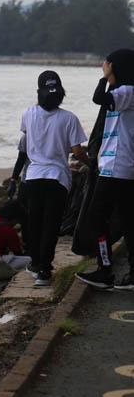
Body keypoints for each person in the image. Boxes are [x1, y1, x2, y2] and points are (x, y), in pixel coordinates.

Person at [21, 71, 89, 287]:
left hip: (33, 177)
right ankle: (44, 270)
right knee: (51, 224)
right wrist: (92, 164)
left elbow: (28, 137)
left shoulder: (28, 113)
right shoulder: (69, 118)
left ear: (39, 92)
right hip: (57, 178)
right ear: (61, 93)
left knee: (34, 222)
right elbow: (77, 152)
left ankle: (34, 262)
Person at [77, 50, 134, 290]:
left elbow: (98, 98)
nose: (104, 66)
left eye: (107, 63)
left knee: (96, 218)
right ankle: (128, 273)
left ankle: (105, 270)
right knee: (128, 220)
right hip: (119, 166)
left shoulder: (127, 92)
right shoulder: (124, 92)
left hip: (116, 168)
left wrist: (104, 77)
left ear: (115, 66)